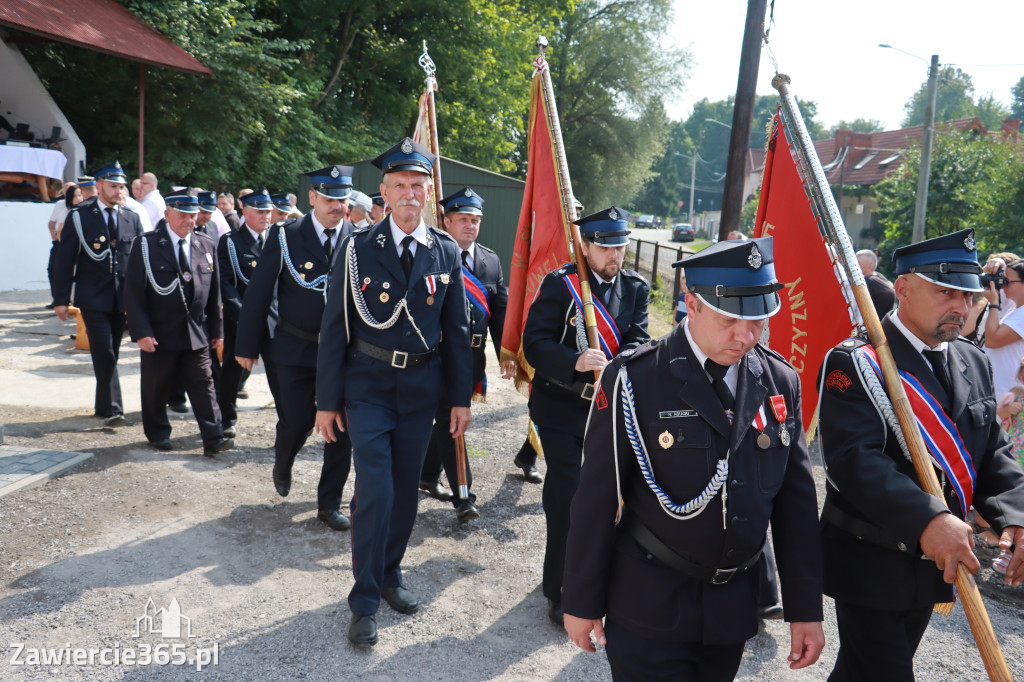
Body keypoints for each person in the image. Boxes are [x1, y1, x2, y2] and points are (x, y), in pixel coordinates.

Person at [562, 236, 825, 681]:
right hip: (649, 603)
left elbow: (795, 505)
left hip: (731, 610)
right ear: (692, 304)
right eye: (731, 319)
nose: (746, 336)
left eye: (758, 320)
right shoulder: (635, 378)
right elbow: (596, 498)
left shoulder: (780, 380)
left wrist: (805, 609)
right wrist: (581, 602)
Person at [818, 228, 1024, 681]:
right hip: (872, 559)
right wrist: (929, 518)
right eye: (945, 292)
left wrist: (1015, 515)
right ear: (905, 290)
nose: (961, 306)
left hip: (935, 563)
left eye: (967, 295)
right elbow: (855, 461)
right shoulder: (857, 361)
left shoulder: (971, 359)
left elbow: (991, 448)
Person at [314, 138, 473, 647]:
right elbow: (335, 328)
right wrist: (325, 401)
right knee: (376, 489)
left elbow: (457, 332)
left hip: (421, 389)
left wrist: (460, 399)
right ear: (383, 192)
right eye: (399, 186)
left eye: (417, 186)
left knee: (405, 491)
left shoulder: (445, 250)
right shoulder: (358, 247)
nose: (408, 194)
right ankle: (362, 601)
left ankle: (390, 575)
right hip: (369, 386)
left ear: (428, 194)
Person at [523, 206, 650, 626]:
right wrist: (575, 360)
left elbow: (639, 341)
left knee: (608, 500)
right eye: (606, 246)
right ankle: (559, 590)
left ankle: (599, 581)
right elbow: (535, 343)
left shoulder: (635, 288)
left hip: (607, 409)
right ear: (586, 245)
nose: (615, 254)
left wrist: (621, 361)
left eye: (621, 245)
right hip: (560, 406)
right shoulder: (561, 286)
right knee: (569, 497)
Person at [235, 178, 355, 532]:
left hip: (343, 352)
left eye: (343, 200)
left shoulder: (358, 237)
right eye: (331, 199)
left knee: (342, 428)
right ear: (313, 197)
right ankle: (283, 460)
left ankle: (329, 502)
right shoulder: (285, 235)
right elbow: (258, 293)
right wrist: (246, 346)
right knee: (298, 420)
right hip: (294, 347)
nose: (338, 206)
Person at [418, 187, 510, 522]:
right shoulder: (430, 255)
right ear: (446, 221)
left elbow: (499, 315)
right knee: (450, 421)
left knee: (446, 420)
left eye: (475, 221)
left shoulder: (490, 261)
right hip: (437, 357)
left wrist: (507, 355)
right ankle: (463, 495)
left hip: (471, 359)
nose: (470, 226)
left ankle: (427, 475)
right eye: (463, 220)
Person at [122, 189, 233, 455]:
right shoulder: (147, 244)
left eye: (193, 215)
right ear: (167, 213)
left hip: (196, 331)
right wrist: (141, 332)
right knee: (156, 386)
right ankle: (158, 432)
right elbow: (133, 293)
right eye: (183, 215)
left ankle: (214, 437)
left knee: (204, 385)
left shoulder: (204, 244)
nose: (189, 220)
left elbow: (213, 292)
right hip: (159, 332)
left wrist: (217, 330)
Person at [52, 162, 143, 426]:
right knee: (104, 351)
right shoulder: (80, 216)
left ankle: (102, 406)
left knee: (111, 349)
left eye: (121, 186)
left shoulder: (131, 217)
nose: (118, 191)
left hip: (121, 298)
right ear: (99, 185)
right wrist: (60, 299)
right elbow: (65, 260)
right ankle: (115, 409)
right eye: (113, 186)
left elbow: (136, 262)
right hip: (92, 297)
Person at [218, 189, 277, 439]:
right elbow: (226, 283)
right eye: (260, 212)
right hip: (241, 321)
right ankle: (226, 419)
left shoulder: (275, 239)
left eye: (268, 212)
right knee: (233, 372)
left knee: (278, 372)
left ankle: (287, 421)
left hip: (272, 320)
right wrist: (245, 317)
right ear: (245, 212)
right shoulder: (231, 242)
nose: (266, 216)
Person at [982, 259, 1024, 400]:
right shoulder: (1014, 307)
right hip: (1001, 393)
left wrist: (993, 304)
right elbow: (985, 286)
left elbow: (992, 340)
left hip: (1009, 399)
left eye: (1007, 281)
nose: (1003, 284)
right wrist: (997, 263)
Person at [46, 182, 78, 308]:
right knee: (52, 270)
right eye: (66, 189)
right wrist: (54, 236)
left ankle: (70, 300)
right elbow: (52, 223)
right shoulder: (60, 204)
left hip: (70, 243)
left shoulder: (78, 206)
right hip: (59, 242)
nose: (67, 191)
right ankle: (57, 299)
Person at [857, 249, 896, 319]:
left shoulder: (867, 281)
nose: (855, 266)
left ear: (870, 266)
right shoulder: (880, 276)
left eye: (858, 263)